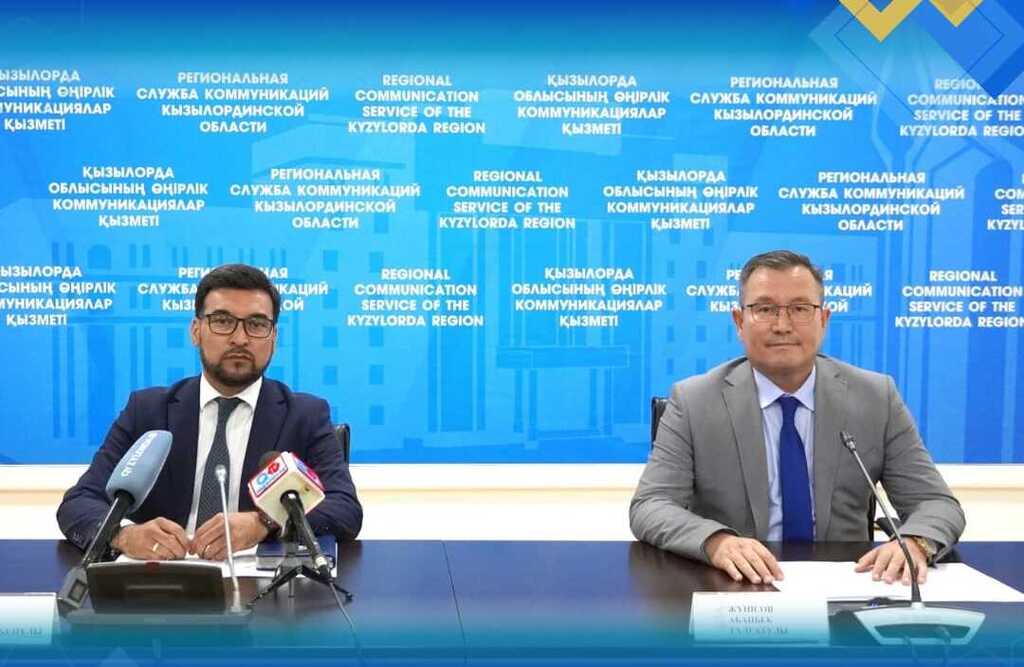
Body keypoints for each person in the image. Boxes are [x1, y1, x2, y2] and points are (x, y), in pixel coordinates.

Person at [630, 250, 964, 586]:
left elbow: (935, 503)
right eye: (764, 309)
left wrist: (914, 543)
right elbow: (651, 505)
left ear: (824, 319)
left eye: (800, 309)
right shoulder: (694, 401)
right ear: (739, 322)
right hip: (737, 587)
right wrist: (716, 542)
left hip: (846, 586)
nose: (782, 325)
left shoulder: (876, 397)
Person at [57, 264, 361, 561]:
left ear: (273, 338)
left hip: (260, 586)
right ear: (196, 331)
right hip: (161, 579)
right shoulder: (147, 411)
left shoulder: (305, 416)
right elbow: (79, 502)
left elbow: (344, 508)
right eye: (223, 321)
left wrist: (264, 522)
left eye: (257, 324)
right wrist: (123, 535)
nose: (240, 338)